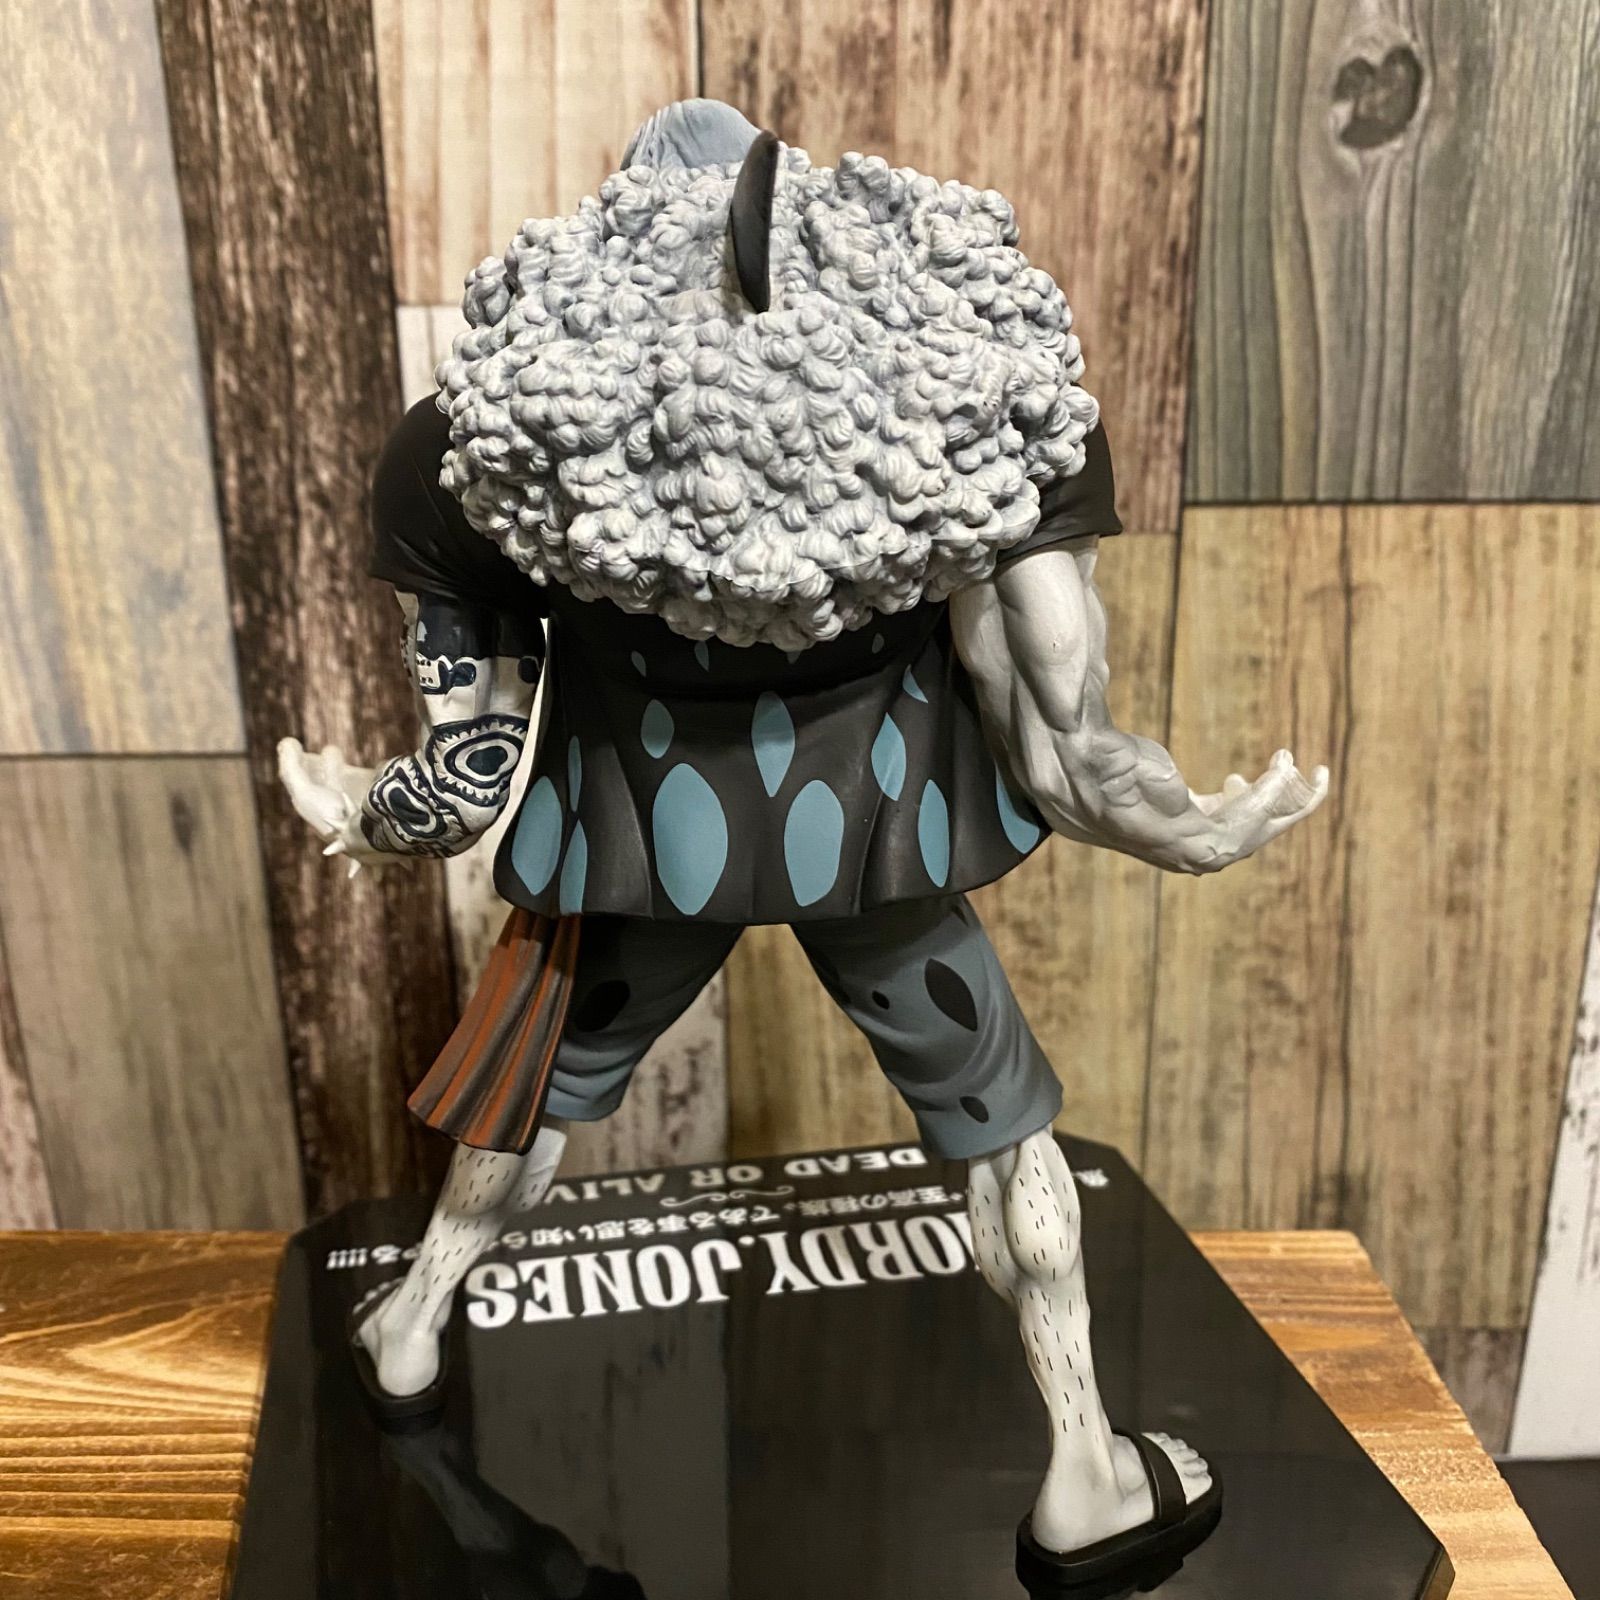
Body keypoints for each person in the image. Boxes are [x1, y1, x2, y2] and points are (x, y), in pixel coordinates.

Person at [280, 98, 1325, 1584]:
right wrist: (1172, 823)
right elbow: (1064, 716)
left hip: (652, 848)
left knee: (542, 1094)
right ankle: (1084, 1472)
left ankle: (410, 1324)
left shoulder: (477, 438)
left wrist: (363, 812)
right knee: (1001, 1131)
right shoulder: (964, 382)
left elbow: (470, 770)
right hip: (875, 844)